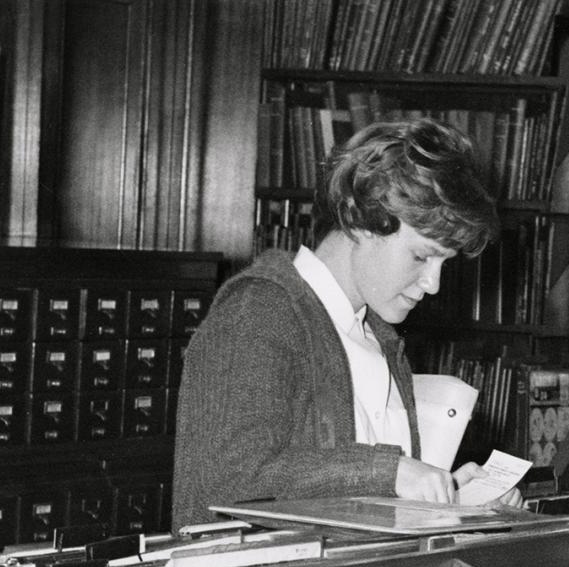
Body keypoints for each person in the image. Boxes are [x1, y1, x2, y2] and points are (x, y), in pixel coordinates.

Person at [171, 118, 504, 528]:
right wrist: (391, 471)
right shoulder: (259, 312)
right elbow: (223, 483)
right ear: (361, 220)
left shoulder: (374, 333)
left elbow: (346, 499)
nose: (433, 284)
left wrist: (445, 494)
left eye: (443, 264)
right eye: (421, 256)